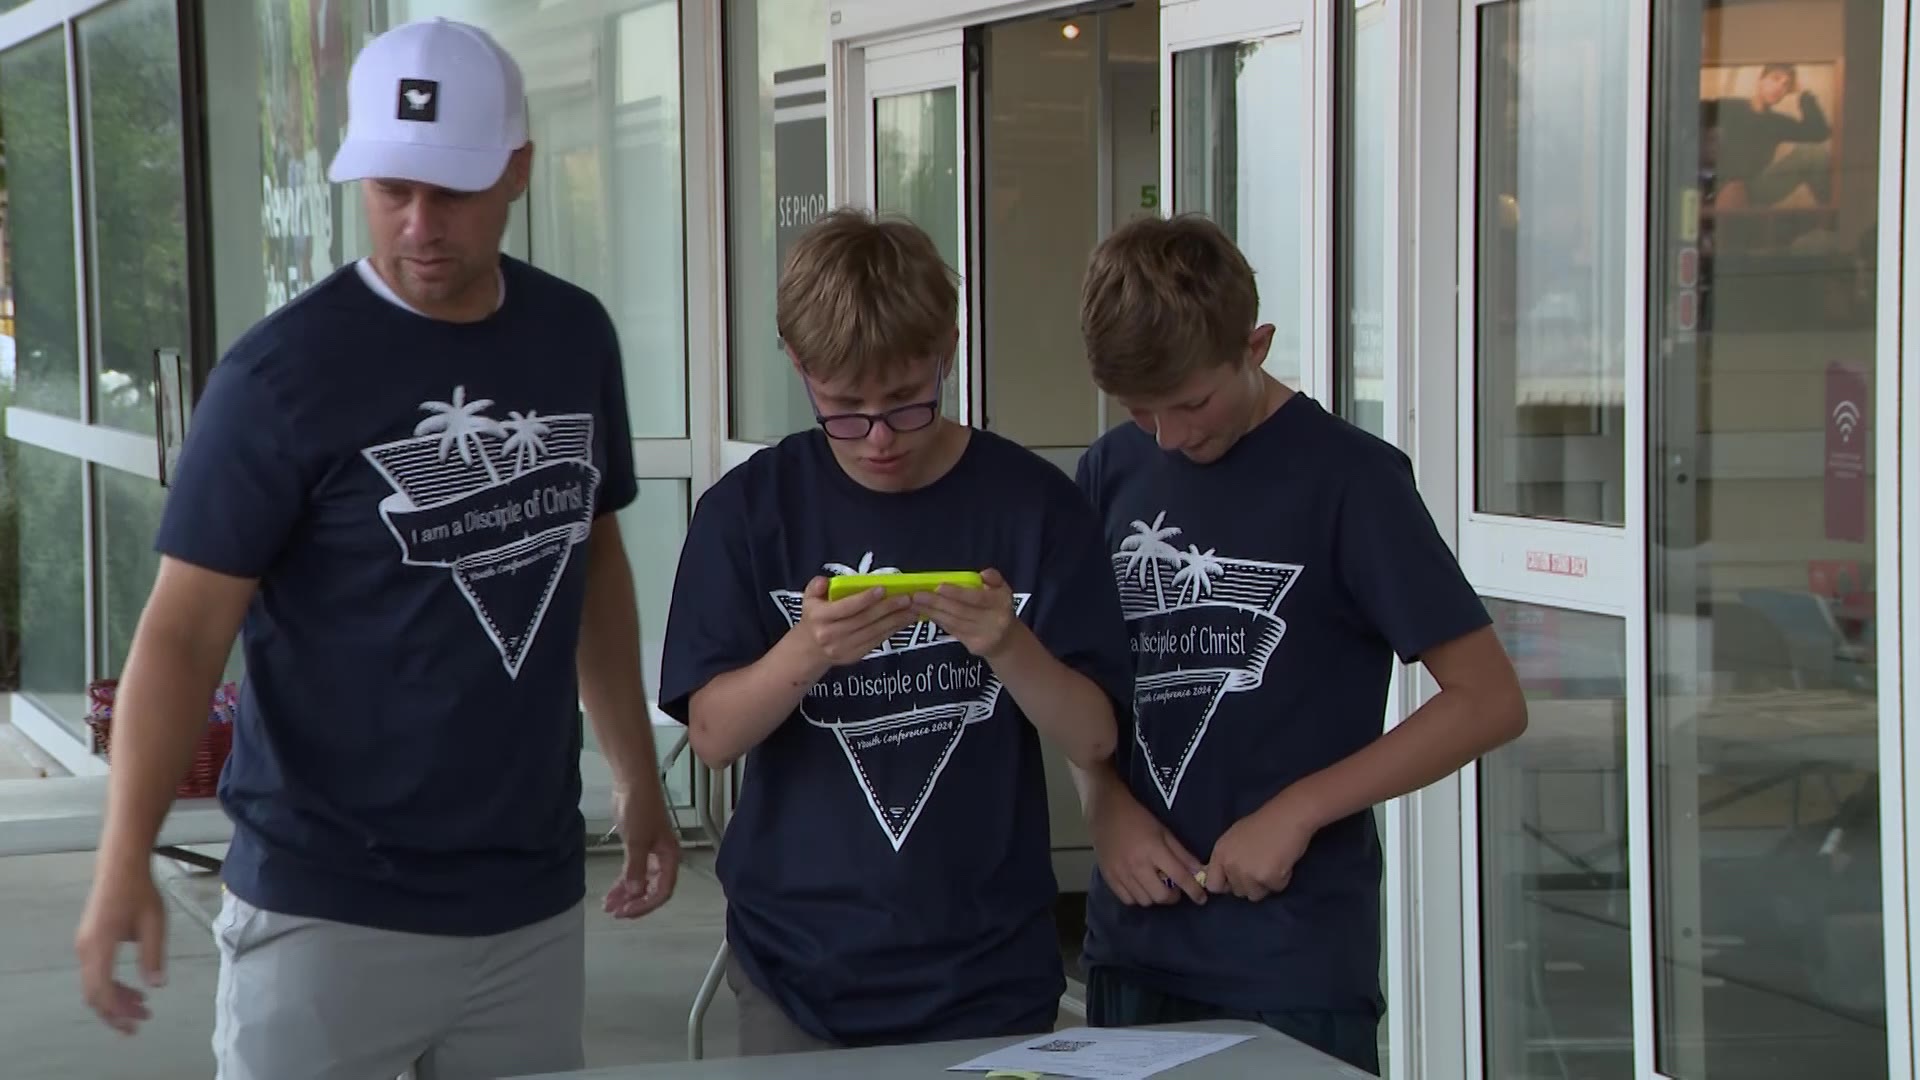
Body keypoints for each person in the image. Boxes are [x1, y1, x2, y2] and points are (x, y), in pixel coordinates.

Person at [71, 18, 680, 1080]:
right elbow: (178, 636)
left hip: (527, 902)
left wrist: (635, 774)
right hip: (325, 909)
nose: (418, 222)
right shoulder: (277, 377)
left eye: (450, 189)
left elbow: (591, 565)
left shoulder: (574, 339)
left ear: (518, 172)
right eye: (391, 187)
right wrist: (122, 858)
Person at [658, 207, 1132, 1056]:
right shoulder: (748, 512)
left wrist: (1008, 645)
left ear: (948, 349)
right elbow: (713, 735)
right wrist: (809, 650)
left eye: (908, 404)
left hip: (989, 969)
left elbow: (1095, 737)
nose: (878, 439)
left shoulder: (1033, 505)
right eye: (844, 409)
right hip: (797, 968)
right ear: (799, 366)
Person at [1068, 213, 1529, 1075]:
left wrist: (1298, 811)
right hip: (1132, 946)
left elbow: (1489, 701)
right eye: (1139, 412)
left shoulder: (1353, 480)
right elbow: (1082, 691)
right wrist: (1103, 808)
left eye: (1192, 404)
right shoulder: (1109, 470)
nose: (1169, 437)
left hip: (1292, 957)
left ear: (1256, 344)